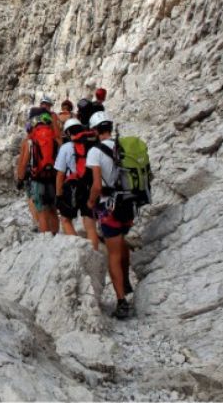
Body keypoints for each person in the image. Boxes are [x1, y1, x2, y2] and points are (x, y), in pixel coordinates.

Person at [86, 111, 135, 319]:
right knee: (122, 242)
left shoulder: (95, 152)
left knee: (112, 254)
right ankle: (125, 282)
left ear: (96, 130)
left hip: (110, 208)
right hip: (129, 204)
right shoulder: (122, 145)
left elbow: (97, 185)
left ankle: (121, 301)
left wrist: (90, 202)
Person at [54, 118, 99, 249]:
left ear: (67, 133)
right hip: (89, 186)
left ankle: (77, 250)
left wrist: (59, 195)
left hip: (72, 188)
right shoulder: (92, 146)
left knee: (66, 219)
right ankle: (94, 254)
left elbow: (60, 174)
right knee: (90, 225)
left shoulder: (66, 148)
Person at [16, 107, 59, 234]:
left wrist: (20, 179)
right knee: (53, 210)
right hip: (52, 178)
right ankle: (56, 237)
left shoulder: (29, 140)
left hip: (37, 179)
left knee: (42, 211)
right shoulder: (53, 137)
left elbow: (23, 163)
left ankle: (46, 239)